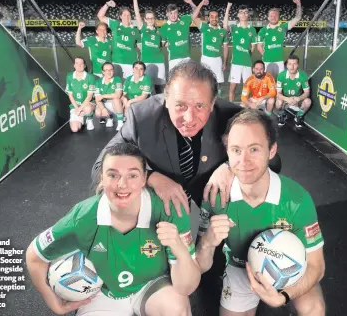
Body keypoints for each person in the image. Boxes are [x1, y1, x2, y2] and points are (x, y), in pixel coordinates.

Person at [26, 142, 200, 316]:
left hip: (152, 286)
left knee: (176, 309)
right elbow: (35, 256)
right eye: (113, 175)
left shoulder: (169, 210)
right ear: (101, 177)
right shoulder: (83, 218)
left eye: (132, 175)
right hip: (102, 293)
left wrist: (178, 247)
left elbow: (186, 287)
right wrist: (53, 302)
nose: (122, 184)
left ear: (144, 178)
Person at [92, 60, 282, 219]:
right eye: (180, 105)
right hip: (160, 206)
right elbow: (100, 166)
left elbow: (273, 161)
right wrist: (150, 177)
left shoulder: (232, 117)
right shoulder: (142, 117)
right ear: (166, 99)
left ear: (213, 103)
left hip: (214, 200)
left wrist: (231, 167)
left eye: (200, 106)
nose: (189, 118)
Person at [196, 109, 325, 316]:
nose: (244, 161)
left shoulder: (297, 199)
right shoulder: (216, 197)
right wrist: (207, 243)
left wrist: (283, 296)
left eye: (254, 149)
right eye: (236, 150)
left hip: (291, 270)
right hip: (240, 267)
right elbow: (200, 267)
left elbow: (317, 266)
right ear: (227, 152)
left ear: (272, 150)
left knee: (314, 310)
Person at [257, 0, 302, 79]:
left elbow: (298, 18)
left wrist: (298, 4)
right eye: (271, 16)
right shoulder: (262, 31)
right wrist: (265, 55)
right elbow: (259, 46)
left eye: (275, 15)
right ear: (268, 17)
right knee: (266, 82)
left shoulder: (283, 27)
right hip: (266, 61)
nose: (273, 17)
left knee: (279, 83)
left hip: (279, 61)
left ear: (278, 17)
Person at [192, 0, 228, 98]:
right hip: (206, 59)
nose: (214, 18)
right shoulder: (204, 27)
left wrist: (225, 62)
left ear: (218, 18)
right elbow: (194, 16)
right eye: (212, 16)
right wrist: (201, 3)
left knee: (218, 83)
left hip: (218, 59)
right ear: (208, 18)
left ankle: (217, 99)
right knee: (204, 81)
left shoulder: (223, 31)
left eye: (216, 17)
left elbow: (225, 48)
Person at [131, 0, 166, 94]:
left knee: (160, 87)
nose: (150, 20)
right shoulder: (142, 28)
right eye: (148, 18)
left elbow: (162, 45)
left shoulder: (160, 31)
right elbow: (137, 14)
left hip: (159, 61)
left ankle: (162, 107)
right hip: (146, 61)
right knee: (148, 88)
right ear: (145, 19)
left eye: (152, 18)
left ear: (154, 19)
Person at [223, 3, 257, 103]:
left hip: (247, 63)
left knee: (247, 89)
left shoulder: (252, 30)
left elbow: (253, 46)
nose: (243, 14)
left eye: (245, 12)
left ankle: (245, 107)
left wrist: (247, 54)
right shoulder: (234, 28)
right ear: (238, 15)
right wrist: (228, 8)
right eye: (241, 12)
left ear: (248, 15)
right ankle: (231, 107)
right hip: (236, 63)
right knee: (232, 89)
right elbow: (225, 25)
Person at [97, 0, 141, 80]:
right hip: (116, 63)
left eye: (129, 15)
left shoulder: (135, 31)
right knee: (117, 87)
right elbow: (100, 16)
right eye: (124, 15)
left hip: (131, 64)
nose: (127, 17)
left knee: (128, 89)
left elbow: (140, 48)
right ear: (120, 16)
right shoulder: (115, 25)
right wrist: (107, 5)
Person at [160, 0, 196, 71]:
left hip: (187, 58)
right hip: (174, 60)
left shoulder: (185, 19)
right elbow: (161, 44)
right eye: (171, 13)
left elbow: (196, 13)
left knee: (188, 81)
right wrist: (169, 43)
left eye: (175, 13)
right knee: (175, 82)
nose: (173, 15)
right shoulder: (164, 28)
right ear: (167, 14)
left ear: (178, 13)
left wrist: (191, 2)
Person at [275, 54, 311, 128]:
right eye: (290, 64)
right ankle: (281, 115)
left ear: (298, 65)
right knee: (278, 102)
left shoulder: (303, 75)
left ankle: (298, 116)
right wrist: (287, 99)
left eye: (294, 64)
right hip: (286, 100)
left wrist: (298, 98)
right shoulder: (281, 75)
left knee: (308, 101)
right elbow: (278, 94)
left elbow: (307, 93)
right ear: (287, 65)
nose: (292, 67)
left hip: (297, 100)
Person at [65, 57, 96, 132]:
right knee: (75, 129)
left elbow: (89, 97)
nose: (79, 65)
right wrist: (76, 108)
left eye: (81, 64)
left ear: (84, 66)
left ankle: (89, 119)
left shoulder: (90, 77)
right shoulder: (69, 76)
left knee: (87, 109)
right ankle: (82, 119)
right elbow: (70, 95)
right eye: (77, 63)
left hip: (87, 104)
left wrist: (80, 109)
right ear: (74, 65)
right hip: (76, 106)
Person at [94, 62, 124, 131]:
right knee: (98, 112)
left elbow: (118, 95)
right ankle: (109, 118)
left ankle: (120, 122)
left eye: (111, 70)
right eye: (106, 70)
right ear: (103, 72)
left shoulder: (117, 79)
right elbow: (97, 99)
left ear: (113, 71)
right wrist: (103, 109)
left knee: (116, 99)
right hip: (104, 103)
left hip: (115, 104)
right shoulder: (98, 82)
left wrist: (103, 95)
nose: (109, 72)